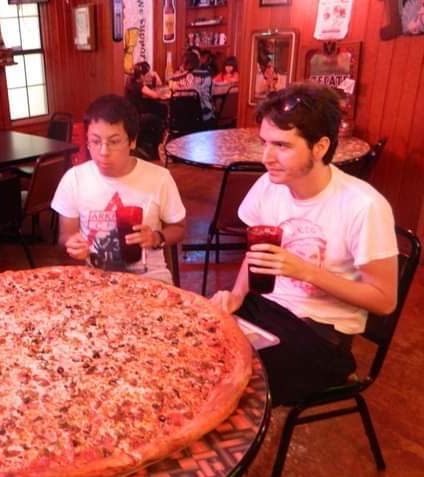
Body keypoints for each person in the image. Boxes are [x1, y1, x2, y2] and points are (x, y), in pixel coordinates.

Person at [211, 82, 398, 407]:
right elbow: (254, 255)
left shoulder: (363, 205)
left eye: (282, 145)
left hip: (322, 332)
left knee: (235, 386)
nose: (267, 157)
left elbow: (384, 301)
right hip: (265, 309)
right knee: (194, 348)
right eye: (264, 143)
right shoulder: (268, 186)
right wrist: (236, 297)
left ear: (320, 146)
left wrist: (306, 272)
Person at [51, 94, 186, 284]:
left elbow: (179, 228)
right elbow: (65, 236)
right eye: (95, 142)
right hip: (95, 281)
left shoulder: (159, 178)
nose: (103, 152)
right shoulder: (74, 179)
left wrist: (156, 237)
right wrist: (72, 244)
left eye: (114, 142)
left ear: (132, 141)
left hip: (150, 280)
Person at [170, 52, 215, 128]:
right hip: (204, 117)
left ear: (184, 63)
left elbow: (172, 89)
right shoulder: (206, 75)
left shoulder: (176, 78)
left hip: (181, 119)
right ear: (198, 62)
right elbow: (211, 94)